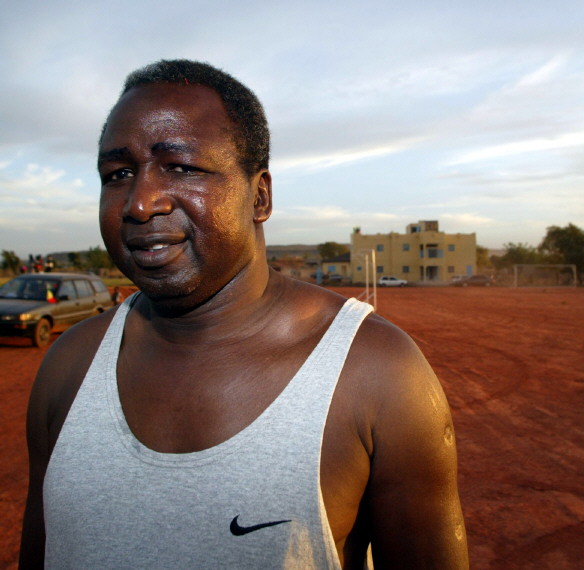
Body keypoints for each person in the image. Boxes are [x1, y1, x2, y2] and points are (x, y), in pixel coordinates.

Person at [20, 60, 468, 569]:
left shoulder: (377, 374)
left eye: (181, 167)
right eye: (118, 174)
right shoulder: (68, 368)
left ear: (259, 196)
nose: (140, 203)